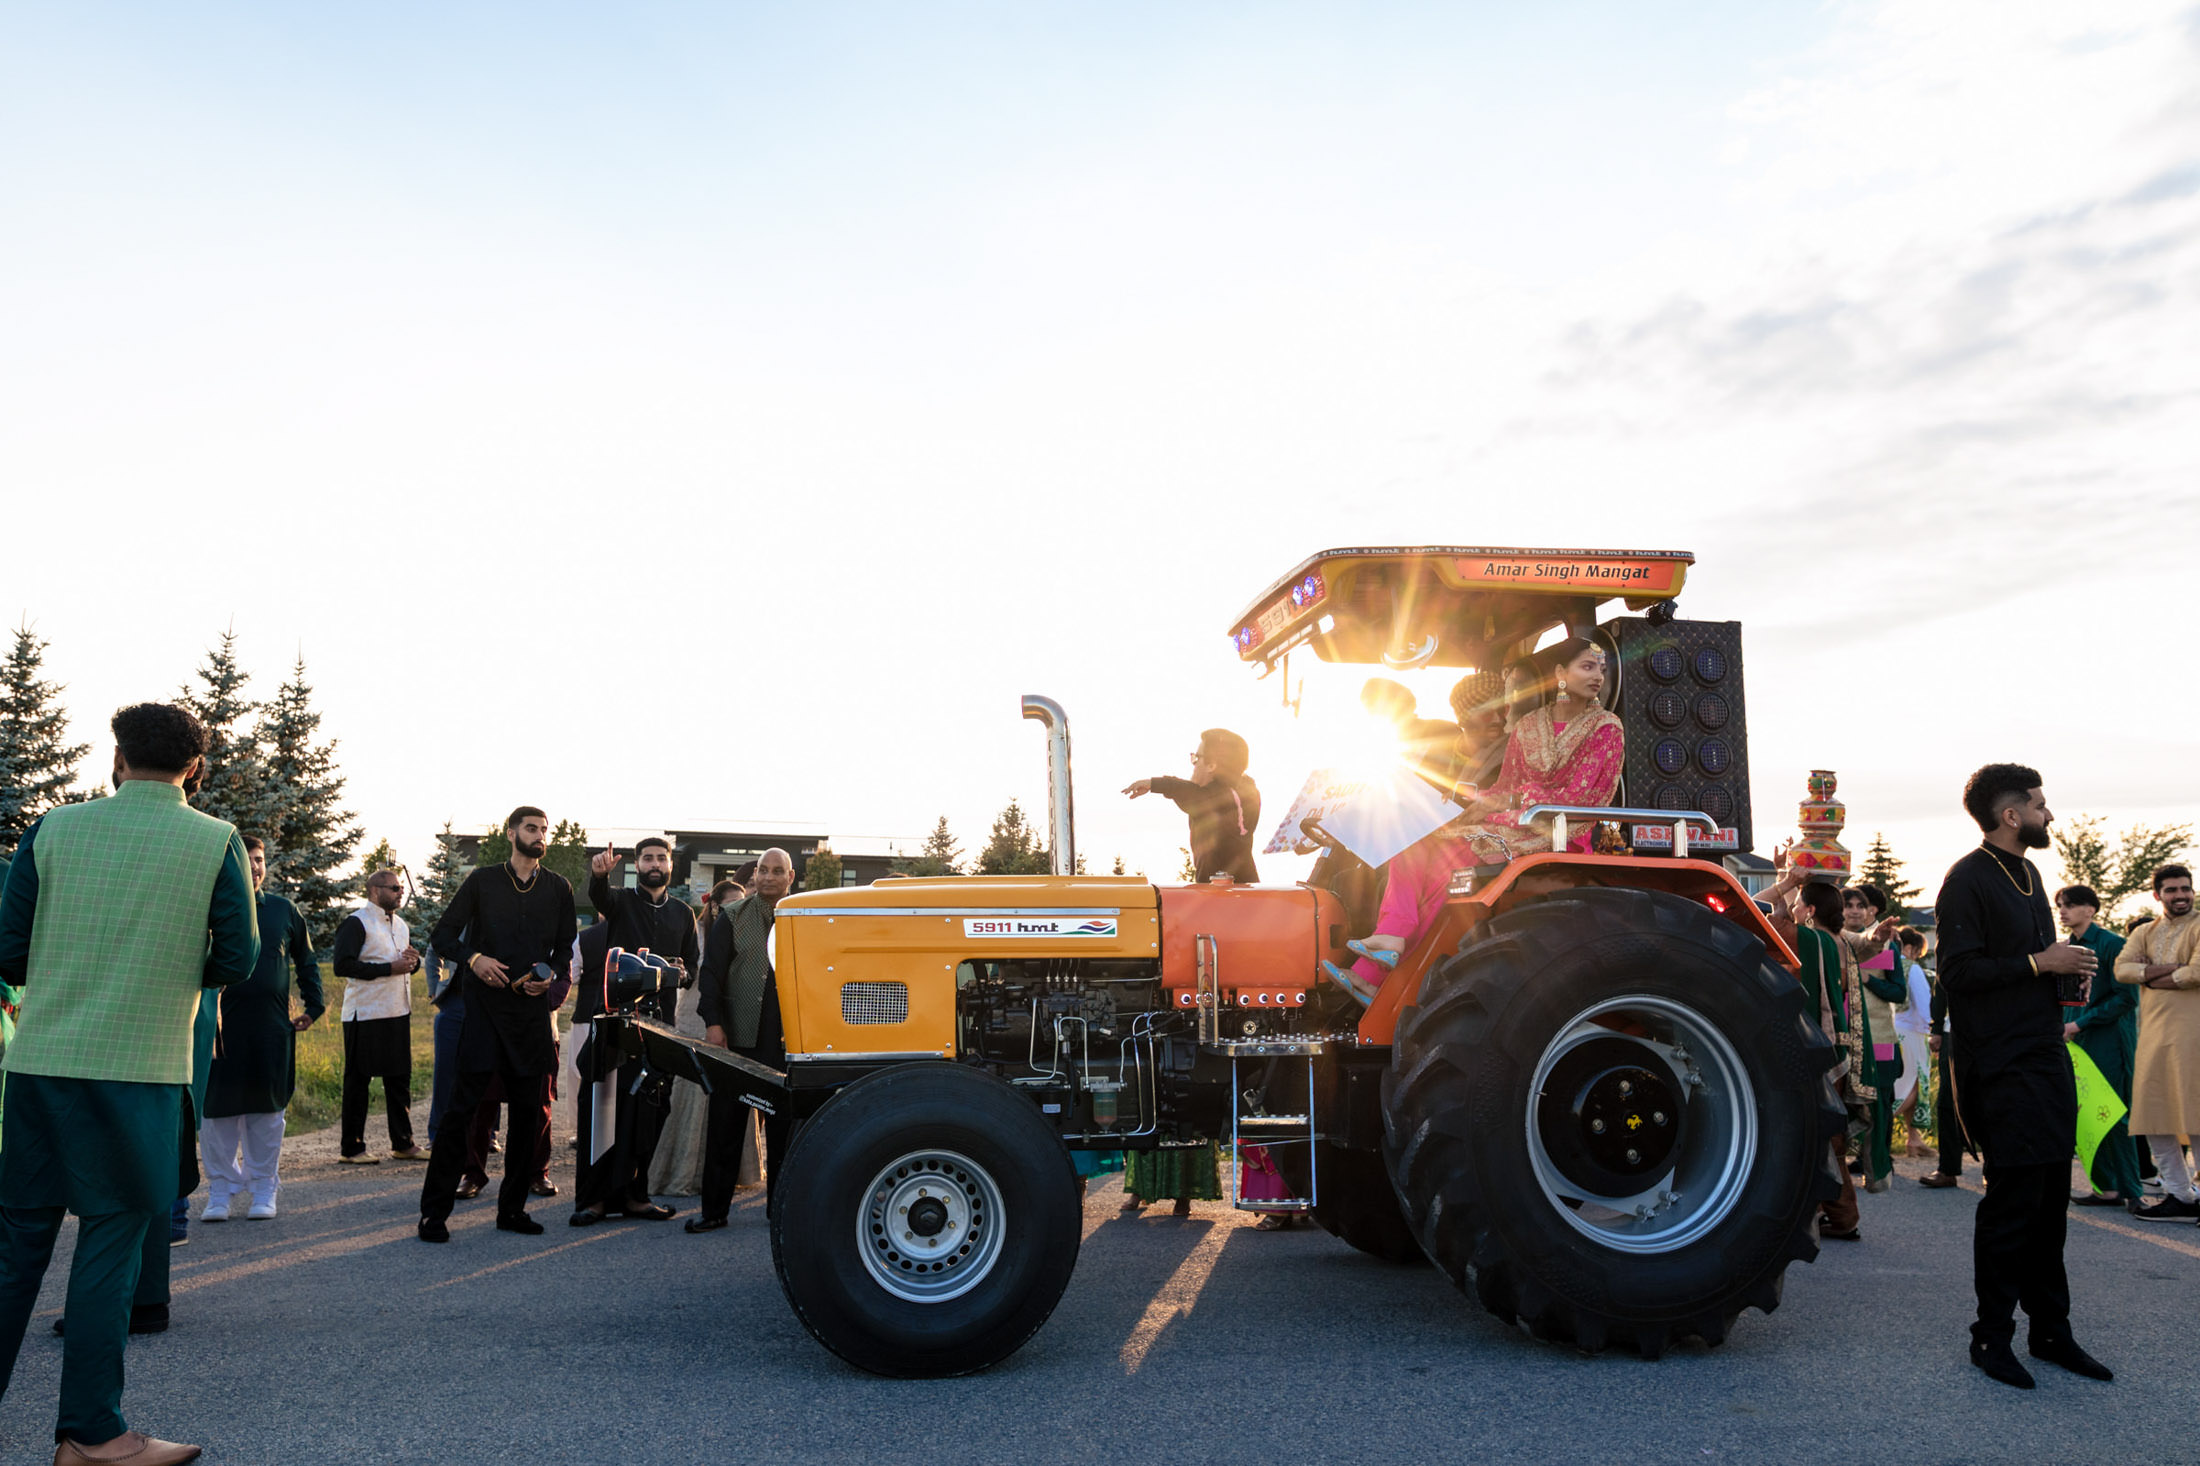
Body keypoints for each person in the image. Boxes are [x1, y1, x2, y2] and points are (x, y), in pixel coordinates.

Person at [0, 701, 258, 1465]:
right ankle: (90, 1433)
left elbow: (9, 951)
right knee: (110, 1249)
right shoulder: (215, 840)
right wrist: (166, 972)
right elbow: (238, 960)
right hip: (139, 1072)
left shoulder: (52, 828)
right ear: (196, 770)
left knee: (16, 1249)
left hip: (41, 1066)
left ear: (116, 760)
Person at [1935, 763, 2109, 1388]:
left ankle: (2052, 1333)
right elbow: (1958, 975)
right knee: (2011, 1206)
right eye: (2039, 805)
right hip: (1998, 1066)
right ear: (2011, 816)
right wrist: (2041, 961)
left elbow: (2021, 969)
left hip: (2044, 1057)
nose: (2049, 815)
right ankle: (1992, 1339)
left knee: (2050, 1205)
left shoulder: (2031, 873)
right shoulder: (1967, 879)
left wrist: (2062, 975)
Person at [1328, 638, 1623, 1005]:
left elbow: (1583, 796)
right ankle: (1389, 939)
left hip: (1560, 830)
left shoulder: (1605, 727)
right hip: (1507, 824)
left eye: (1601, 669)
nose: (1596, 676)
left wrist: (1512, 806)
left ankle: (1383, 984)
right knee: (1416, 840)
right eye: (1586, 666)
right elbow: (1505, 786)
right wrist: (1471, 809)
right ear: (1560, 674)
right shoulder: (1530, 725)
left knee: (1448, 880)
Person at [419, 807, 577, 1242]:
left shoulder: (558, 888)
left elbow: (565, 950)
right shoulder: (483, 881)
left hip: (531, 1017)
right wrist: (474, 958)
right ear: (511, 834)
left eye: (544, 830)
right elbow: (443, 936)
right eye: (531, 828)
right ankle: (433, 1214)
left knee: (528, 1118)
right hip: (483, 1015)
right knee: (460, 1116)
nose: (539, 835)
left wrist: (543, 975)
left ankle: (512, 1211)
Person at [200, 837, 325, 1221]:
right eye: (247, 860)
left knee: (266, 1113)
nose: (254, 867)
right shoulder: (210, 906)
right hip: (218, 1027)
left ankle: (263, 1187)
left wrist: (315, 1004)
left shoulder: (283, 910)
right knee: (215, 1114)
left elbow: (307, 960)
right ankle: (221, 1189)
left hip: (270, 1028)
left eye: (259, 860)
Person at [572, 837, 694, 1225]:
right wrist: (597, 875)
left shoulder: (683, 913)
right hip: (614, 1024)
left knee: (649, 1113)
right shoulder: (621, 901)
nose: (654, 864)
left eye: (661, 858)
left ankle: (636, 1196)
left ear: (671, 865)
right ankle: (594, 1200)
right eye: (647, 858)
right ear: (637, 865)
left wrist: (679, 971)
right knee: (602, 1109)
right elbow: (599, 896)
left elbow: (689, 970)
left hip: (660, 1029)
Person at [689, 848, 795, 1231]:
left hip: (788, 1041)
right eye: (762, 870)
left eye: (776, 871)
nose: (768, 877)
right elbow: (712, 974)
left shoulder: (804, 917)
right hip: (737, 1037)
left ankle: (780, 1212)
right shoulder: (732, 917)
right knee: (725, 1126)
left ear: (790, 877)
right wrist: (714, 1024)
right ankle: (713, 1212)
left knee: (784, 1131)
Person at [1766, 878, 1869, 1238]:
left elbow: (1751, 909)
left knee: (1814, 1140)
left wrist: (1786, 882)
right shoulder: (1834, 941)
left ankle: (1837, 1218)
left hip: (1814, 1052)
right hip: (1832, 1049)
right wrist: (1787, 883)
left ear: (1809, 912)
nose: (1792, 909)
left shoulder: (1806, 938)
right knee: (1827, 1141)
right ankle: (1840, 1217)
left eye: (1798, 905)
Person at [651, 879, 748, 1197]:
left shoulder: (746, 936)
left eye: (742, 903)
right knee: (691, 1096)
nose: (737, 909)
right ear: (716, 905)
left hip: (732, 1023)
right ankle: (680, 1173)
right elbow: (686, 973)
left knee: (727, 1098)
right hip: (694, 1019)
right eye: (732, 903)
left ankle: (727, 1173)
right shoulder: (697, 933)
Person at [2114, 865, 2200, 1221]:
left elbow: (2197, 972)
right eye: (2171, 890)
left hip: (2194, 1036)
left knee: (2197, 1118)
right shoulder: (2146, 932)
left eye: (2186, 889)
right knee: (2154, 1119)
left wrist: (2148, 975)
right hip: (2153, 1037)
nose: (2180, 895)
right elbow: (2122, 969)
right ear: (2157, 895)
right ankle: (2180, 1196)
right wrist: (2163, 972)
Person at [332, 868, 426, 1164]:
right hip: (366, 1013)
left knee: (399, 1079)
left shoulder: (401, 925)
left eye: (401, 888)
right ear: (375, 891)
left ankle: (403, 1143)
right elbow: (342, 966)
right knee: (359, 1081)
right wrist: (389, 969)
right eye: (394, 888)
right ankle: (352, 1148)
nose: (400, 893)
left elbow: (404, 962)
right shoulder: (356, 923)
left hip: (397, 1010)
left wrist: (415, 963)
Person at [2054, 885, 2136, 1208]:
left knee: (2114, 1115)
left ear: (2090, 909)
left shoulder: (2113, 944)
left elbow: (2127, 998)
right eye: (2059, 905)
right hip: (2072, 1041)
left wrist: (2081, 1023)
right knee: (2084, 1114)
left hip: (2107, 1040)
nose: (2062, 910)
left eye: (2070, 905)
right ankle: (2106, 1188)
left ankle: (2133, 1192)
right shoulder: (2064, 948)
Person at [1123, 729, 1261, 884]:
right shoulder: (1233, 795)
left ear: (1211, 765)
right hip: (1225, 892)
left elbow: (1197, 797)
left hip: (1231, 896)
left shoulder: (1228, 799)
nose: (1193, 763)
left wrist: (1155, 784)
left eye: (1196, 758)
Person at [1845, 884, 1906, 1193]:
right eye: (1849, 905)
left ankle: (1880, 1164)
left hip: (1880, 1038)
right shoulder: (1833, 942)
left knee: (1880, 1103)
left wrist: (1868, 980)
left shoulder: (1886, 945)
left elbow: (1899, 992)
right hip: (1844, 1039)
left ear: (1871, 910)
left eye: (1861, 905)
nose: (1855, 910)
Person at [1891, 928, 1935, 1158]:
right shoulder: (1913, 968)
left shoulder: (1890, 964)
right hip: (1914, 1033)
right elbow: (1925, 1003)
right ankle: (1879, 1129)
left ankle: (1914, 1138)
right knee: (1913, 1086)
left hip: (1895, 1029)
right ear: (1911, 948)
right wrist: (1934, 1029)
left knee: (1907, 1083)